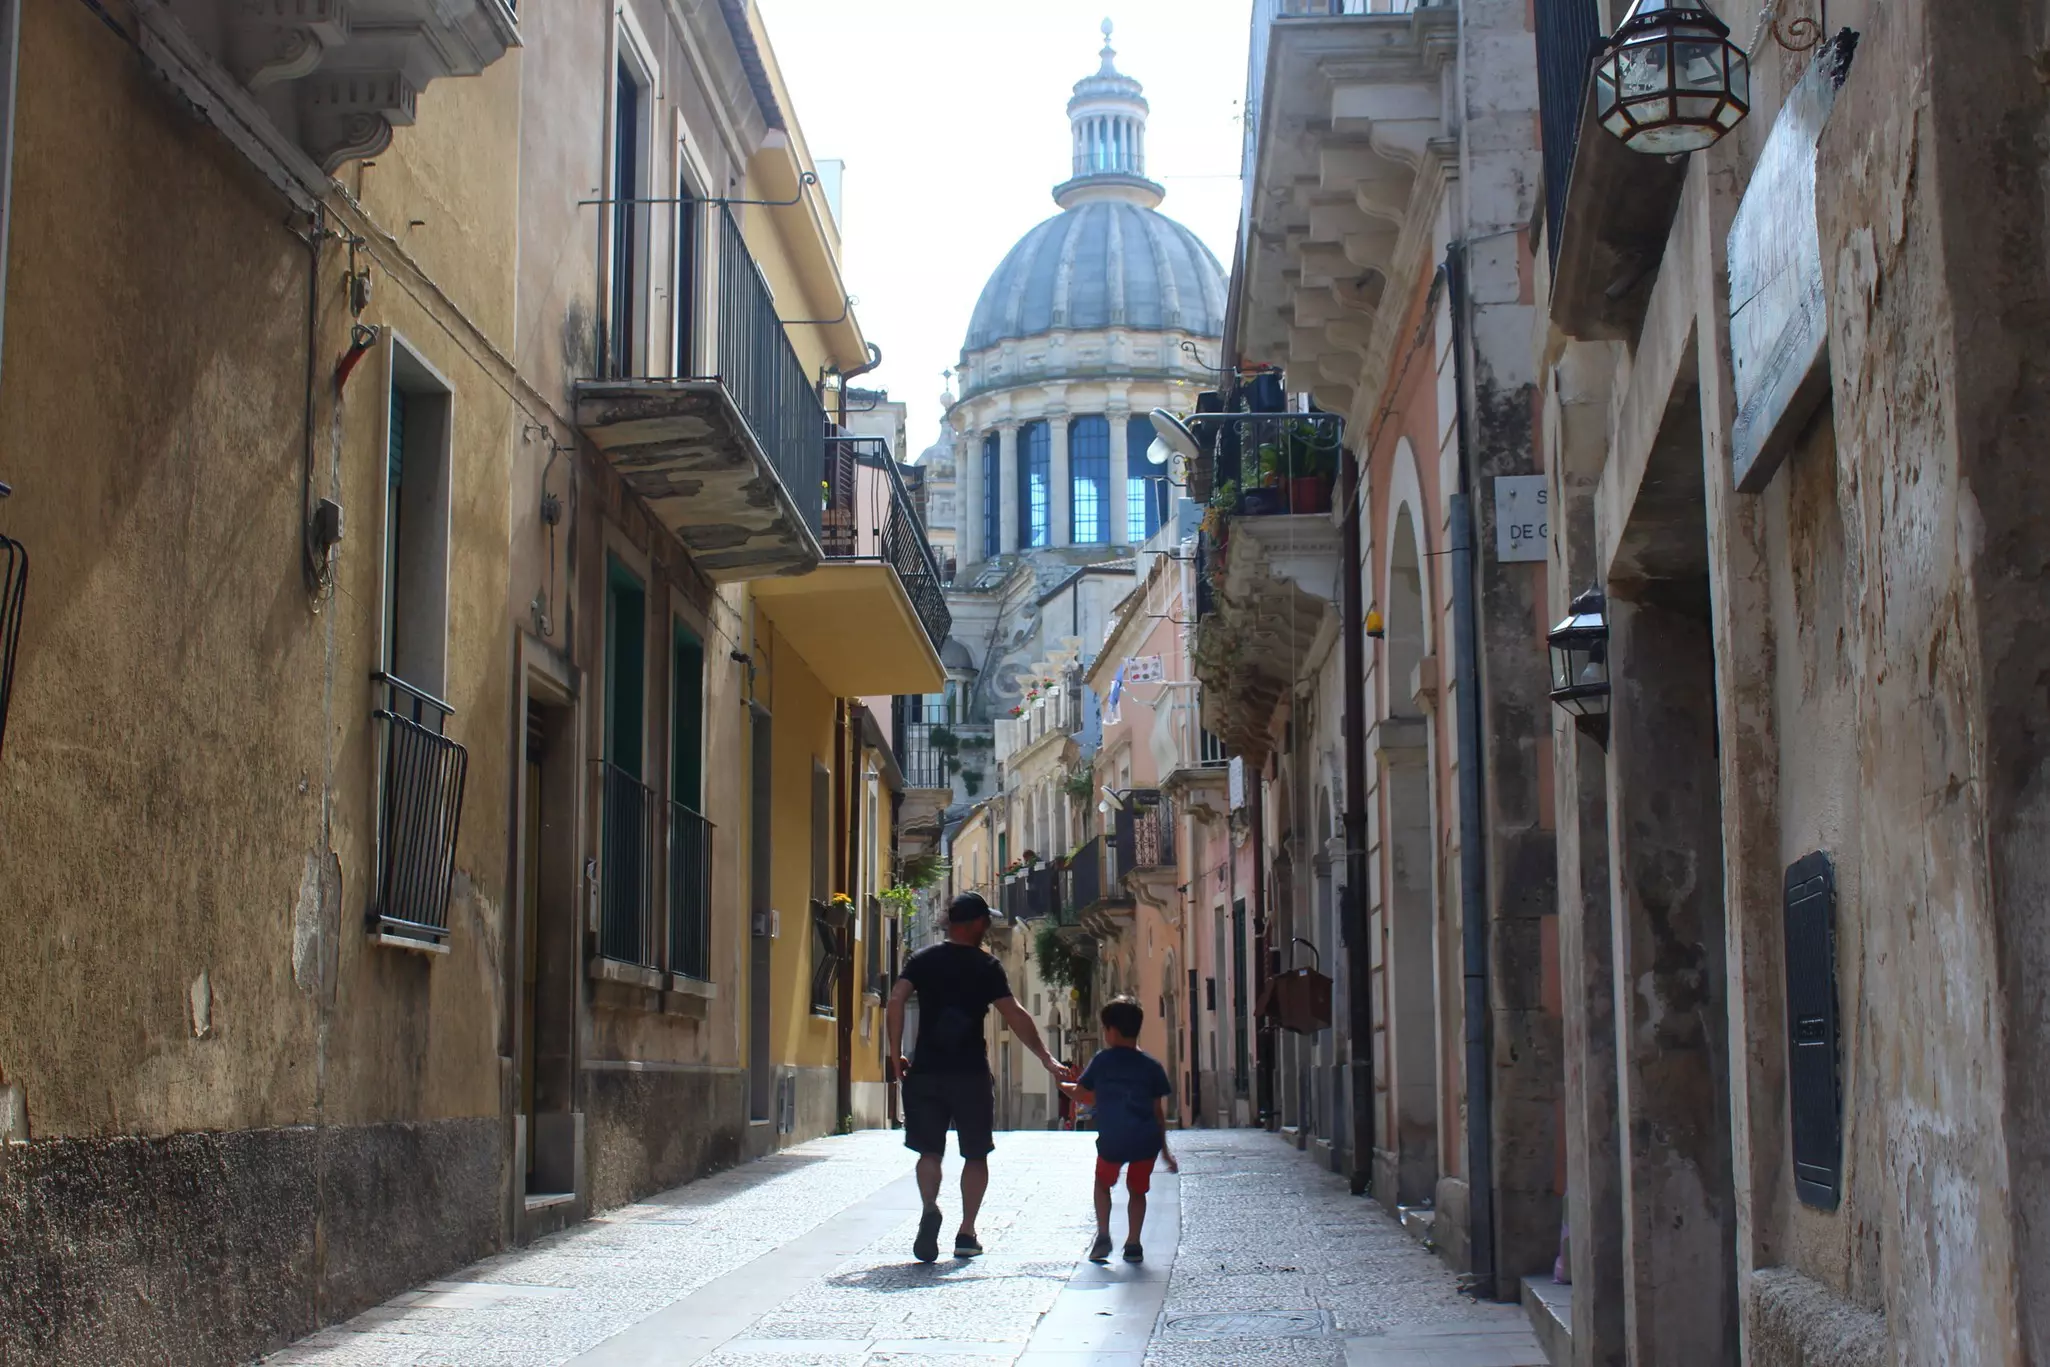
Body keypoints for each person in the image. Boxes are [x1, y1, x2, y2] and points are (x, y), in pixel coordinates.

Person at [886, 891, 1070, 1263]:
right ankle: (967, 1232)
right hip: (970, 1073)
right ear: (973, 924)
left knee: (928, 1151)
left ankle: (929, 1209)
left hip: (926, 1072)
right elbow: (1015, 1014)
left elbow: (894, 1000)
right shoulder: (986, 966)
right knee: (975, 1154)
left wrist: (894, 1056)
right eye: (985, 920)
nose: (988, 927)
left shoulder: (922, 960)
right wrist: (1047, 1058)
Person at [1061, 996, 1177, 1264]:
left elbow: (1082, 1092)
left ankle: (1103, 1235)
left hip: (1113, 1140)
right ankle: (1133, 1243)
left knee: (1103, 1184)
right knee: (1138, 1190)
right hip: (1144, 1141)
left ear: (1111, 1030)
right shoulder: (1152, 1067)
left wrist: (1063, 1085)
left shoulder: (1102, 1061)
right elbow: (1158, 1114)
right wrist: (1166, 1153)